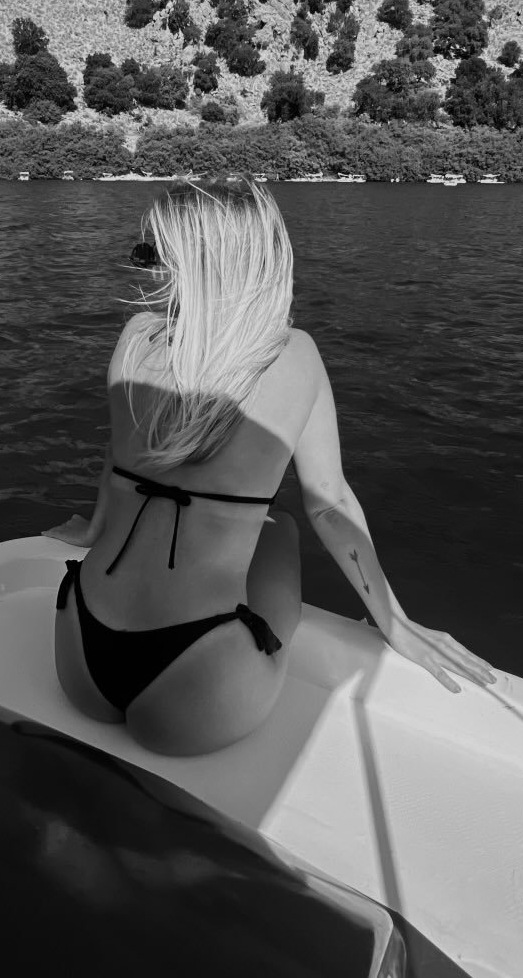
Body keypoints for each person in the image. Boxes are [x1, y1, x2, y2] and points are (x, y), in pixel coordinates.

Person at [44, 178, 494, 755]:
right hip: (200, 678)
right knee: (278, 524)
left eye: (152, 253)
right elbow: (330, 502)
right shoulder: (293, 353)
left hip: (79, 646)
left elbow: (117, 458)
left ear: (193, 265)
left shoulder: (136, 338)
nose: (146, 268)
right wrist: (394, 622)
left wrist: (93, 529)